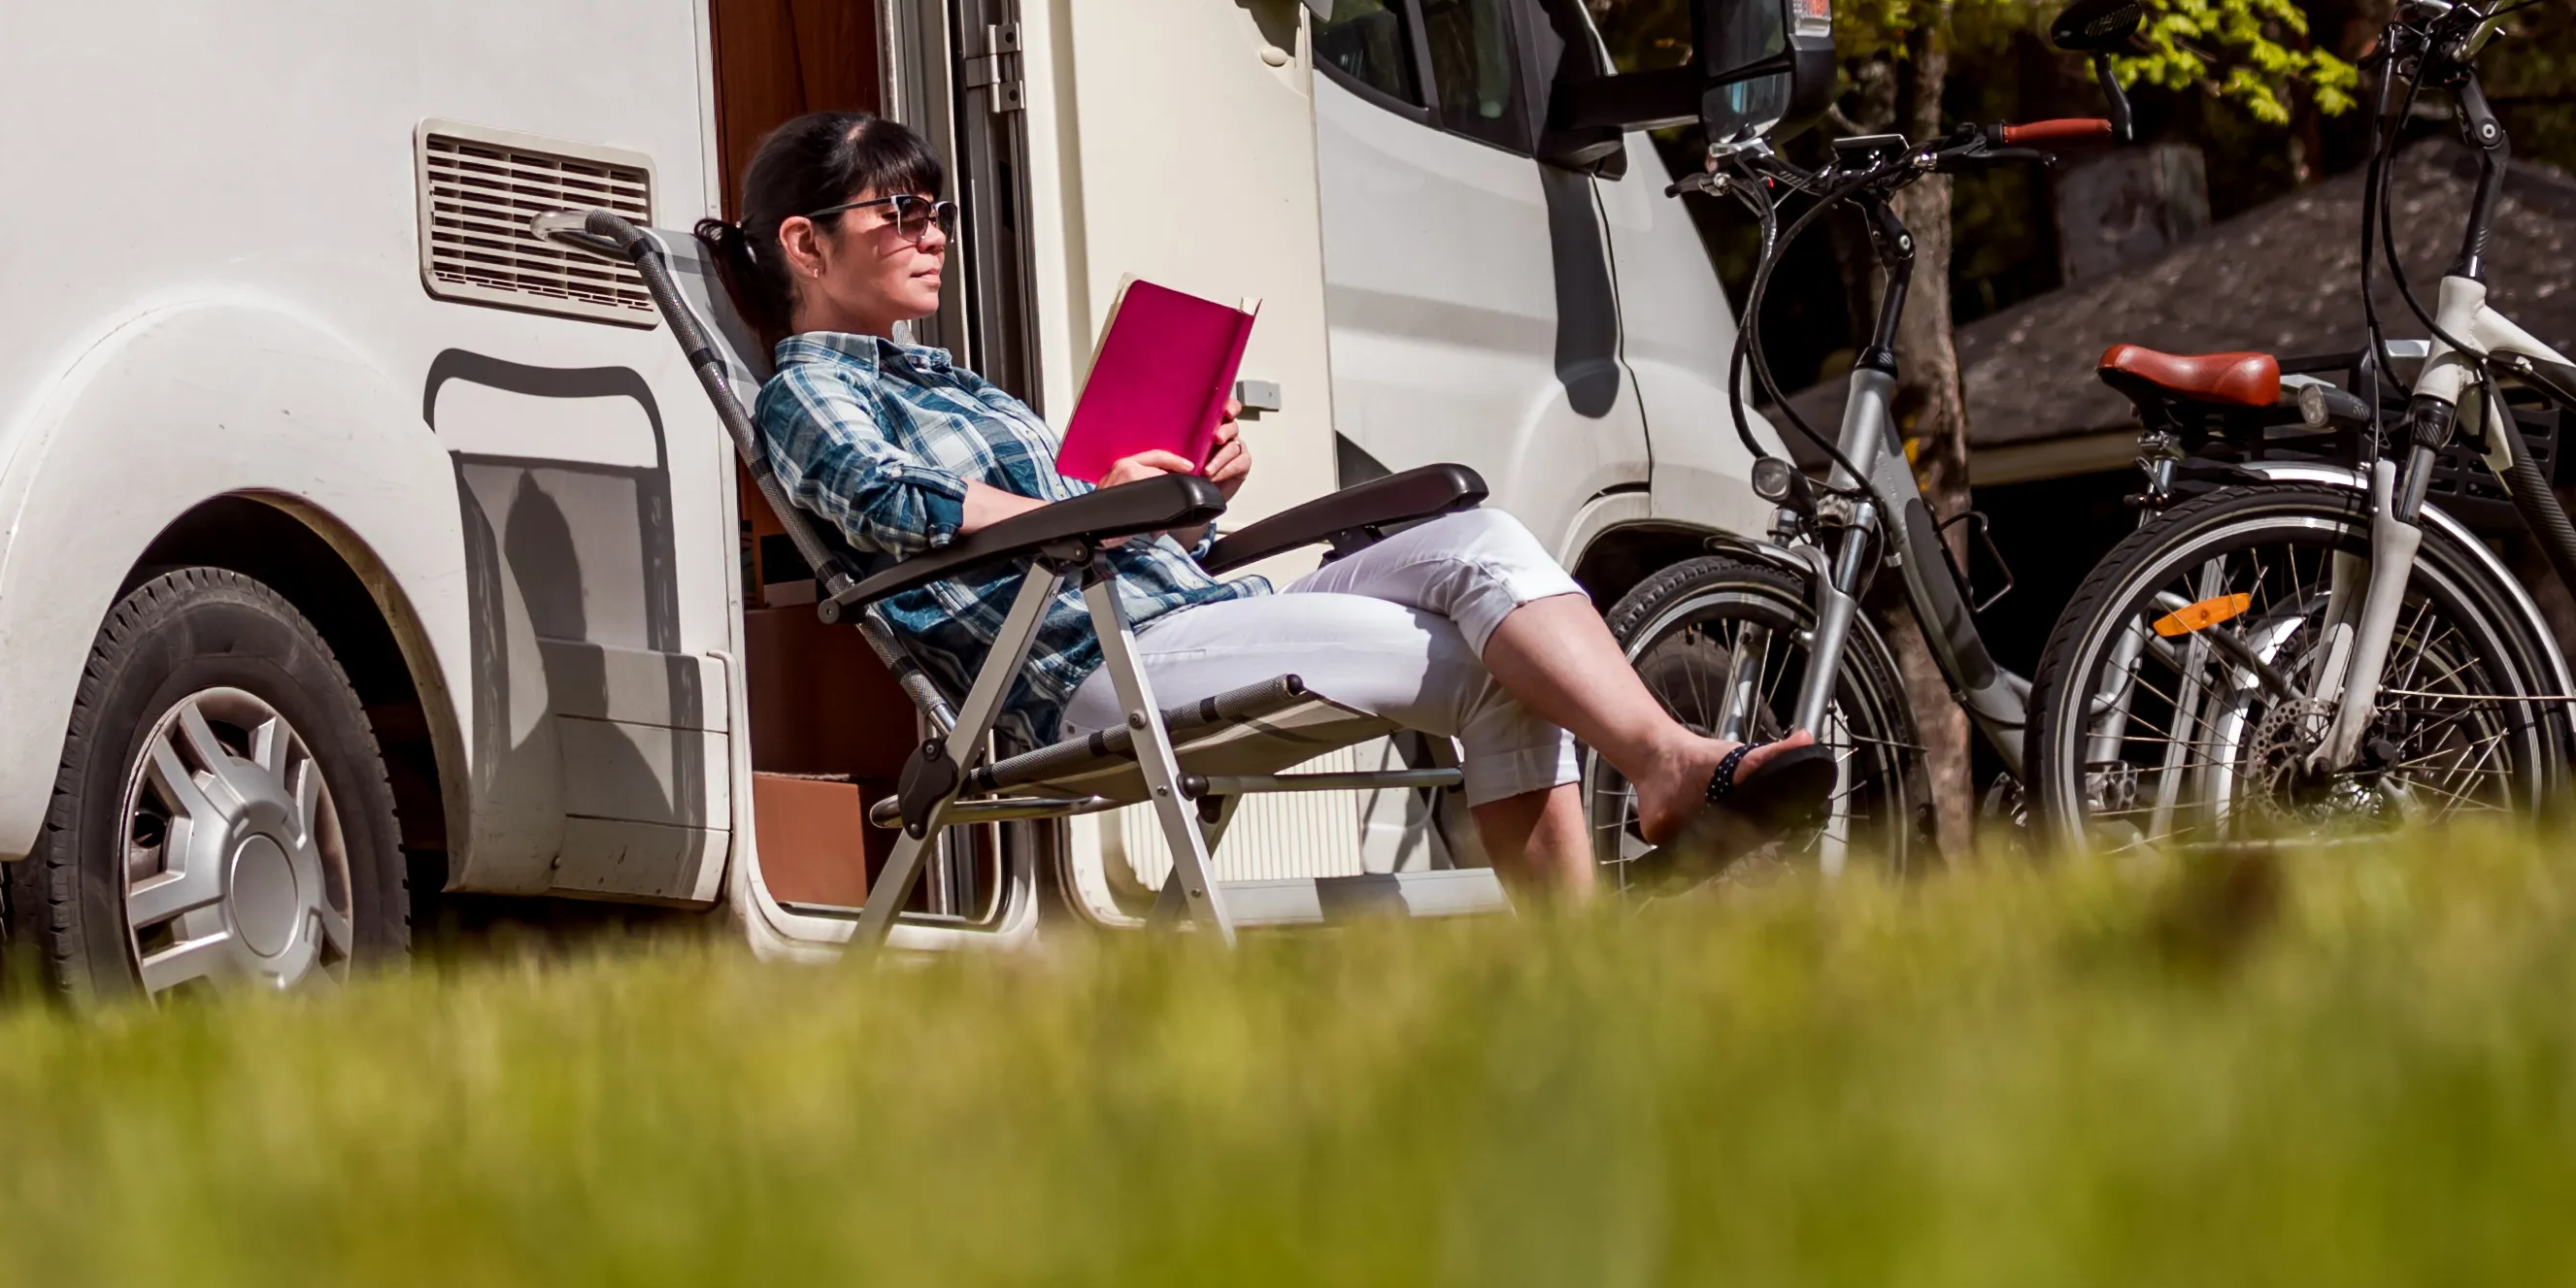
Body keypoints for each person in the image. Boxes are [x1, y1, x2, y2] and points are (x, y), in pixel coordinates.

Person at [706, 108, 1839, 895]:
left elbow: (1076, 522)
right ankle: (1642, 829)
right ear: (805, 243)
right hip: (1086, 675)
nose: (934, 232)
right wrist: (1097, 504)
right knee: (1506, 668)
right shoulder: (805, 394)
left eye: (937, 208)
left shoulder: (941, 375)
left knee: (1483, 543)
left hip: (1171, 614)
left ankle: (1664, 765)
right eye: (900, 212)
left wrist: (1184, 501)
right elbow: (893, 505)